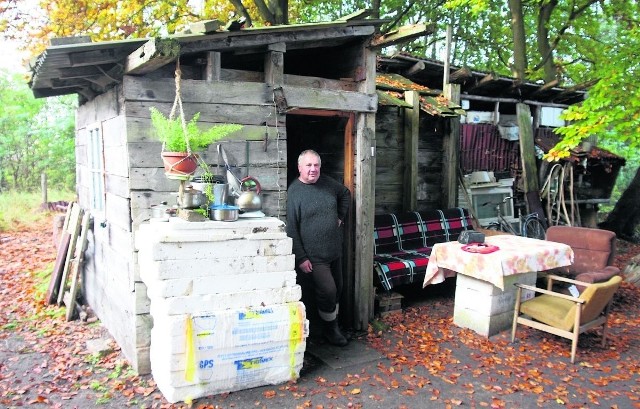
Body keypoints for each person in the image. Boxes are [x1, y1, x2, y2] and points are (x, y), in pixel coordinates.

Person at [286, 149, 351, 346]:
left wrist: (340, 216)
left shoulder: (328, 184)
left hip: (334, 251)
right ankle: (331, 331)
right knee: (328, 290)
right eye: (309, 165)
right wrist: (301, 257)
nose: (313, 169)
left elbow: (345, 194)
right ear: (300, 168)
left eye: (316, 165)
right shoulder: (295, 192)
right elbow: (292, 228)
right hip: (314, 257)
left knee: (337, 289)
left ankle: (330, 326)